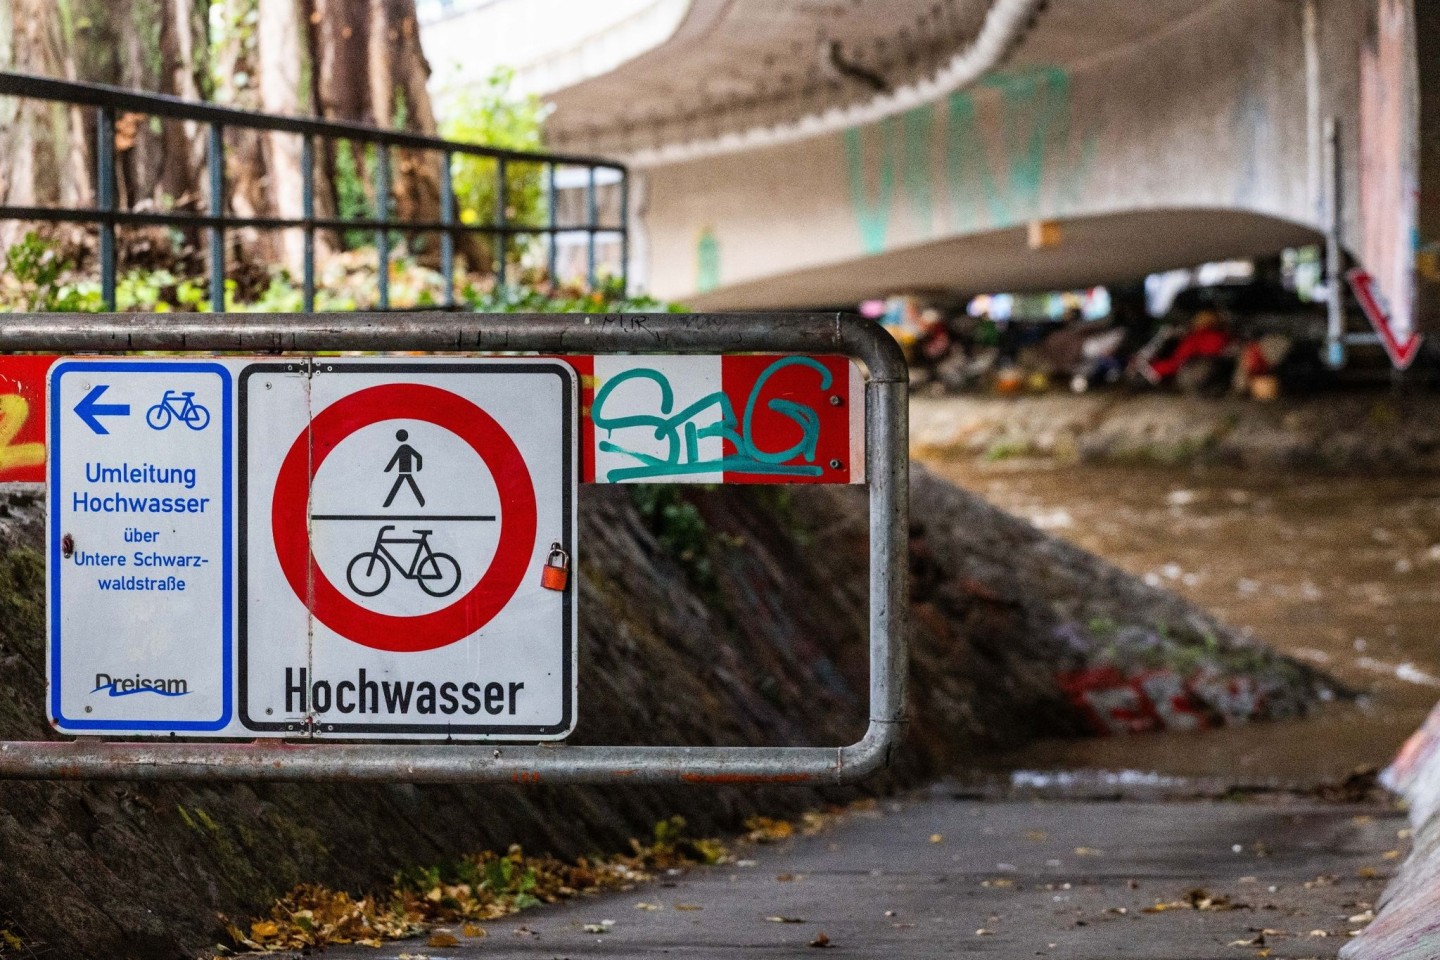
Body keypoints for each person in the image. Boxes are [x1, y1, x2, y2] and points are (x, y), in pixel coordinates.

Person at [383, 429, 425, 507]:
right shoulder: (405, 447)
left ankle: (386, 504)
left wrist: (388, 469)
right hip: (404, 472)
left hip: (405, 472)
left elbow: (394, 459)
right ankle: (422, 502)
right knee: (408, 486)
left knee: (399, 487)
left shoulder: (404, 448)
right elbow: (418, 456)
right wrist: (418, 468)